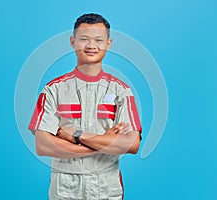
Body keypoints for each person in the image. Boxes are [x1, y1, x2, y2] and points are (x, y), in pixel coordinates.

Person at [28, 13, 142, 200]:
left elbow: (131, 144)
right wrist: (103, 143)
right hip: (65, 190)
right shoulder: (53, 90)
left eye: (98, 40)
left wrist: (76, 135)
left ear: (108, 43)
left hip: (107, 189)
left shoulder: (122, 91)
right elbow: (43, 145)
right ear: (73, 42)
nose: (91, 46)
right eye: (84, 39)